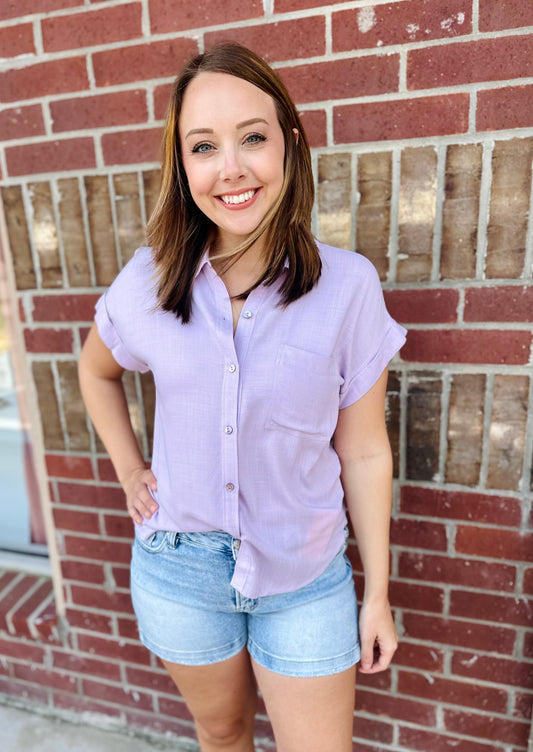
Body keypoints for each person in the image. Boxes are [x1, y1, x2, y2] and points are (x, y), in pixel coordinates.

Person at [78, 42, 406, 752]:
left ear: (288, 145)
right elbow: (96, 370)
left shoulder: (347, 288)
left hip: (304, 573)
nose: (230, 168)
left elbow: (364, 449)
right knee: (221, 735)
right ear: (182, 164)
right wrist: (129, 469)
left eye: (251, 138)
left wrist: (375, 594)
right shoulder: (147, 282)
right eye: (203, 146)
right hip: (178, 568)